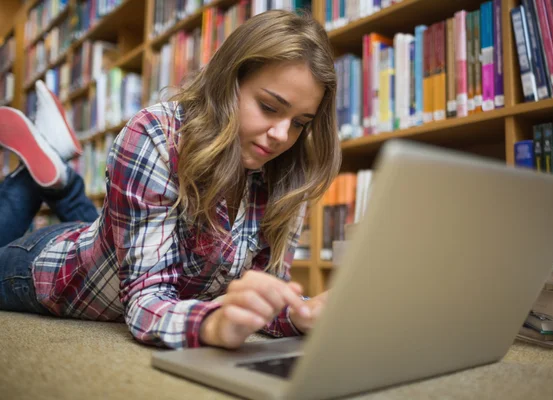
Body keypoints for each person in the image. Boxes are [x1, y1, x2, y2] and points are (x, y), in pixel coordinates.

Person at [0, 10, 340, 350]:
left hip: (112, 247)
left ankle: (59, 179)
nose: (282, 135)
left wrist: (298, 312)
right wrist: (213, 323)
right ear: (228, 83)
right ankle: (40, 181)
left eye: (300, 123)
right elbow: (146, 303)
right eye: (268, 106)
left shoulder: (293, 173)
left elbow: (264, 293)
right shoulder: (156, 134)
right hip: (50, 271)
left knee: (109, 234)